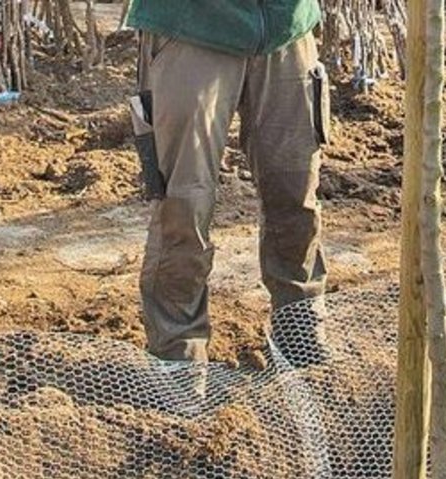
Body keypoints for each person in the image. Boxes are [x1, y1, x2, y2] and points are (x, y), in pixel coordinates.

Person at [126, 0, 331, 368]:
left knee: (295, 190)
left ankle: (299, 330)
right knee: (184, 203)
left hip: (286, 26)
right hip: (191, 26)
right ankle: (179, 355)